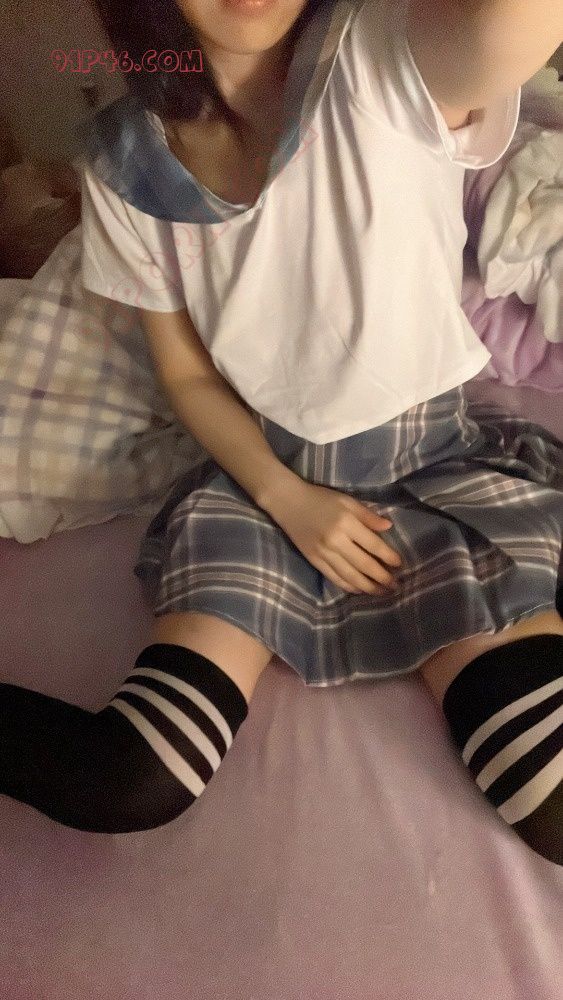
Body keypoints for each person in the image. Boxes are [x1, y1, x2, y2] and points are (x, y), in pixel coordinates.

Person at [1, 0, 562, 863]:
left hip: (434, 474)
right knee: (129, 779)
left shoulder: (383, 55)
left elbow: (510, 25)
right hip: (266, 488)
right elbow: (187, 374)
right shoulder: (126, 160)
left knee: (553, 807)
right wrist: (286, 497)